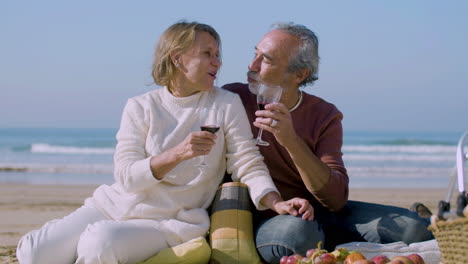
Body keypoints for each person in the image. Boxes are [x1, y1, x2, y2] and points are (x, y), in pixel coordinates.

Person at [16, 21, 313, 264]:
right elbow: (126, 177)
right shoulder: (140, 106)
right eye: (207, 53)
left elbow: (247, 162)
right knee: (33, 252)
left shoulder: (225, 104)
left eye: (218, 54)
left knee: (99, 242)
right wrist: (178, 153)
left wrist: (276, 201)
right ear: (178, 58)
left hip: (171, 220)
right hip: (111, 207)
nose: (218, 62)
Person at [223, 22, 434, 264]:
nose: (252, 65)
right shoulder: (232, 99)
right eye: (255, 54)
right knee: (296, 234)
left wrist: (290, 140)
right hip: (266, 217)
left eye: (267, 60)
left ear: (299, 74)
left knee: (413, 227)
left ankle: (332, 251)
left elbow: (335, 199)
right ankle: (335, 249)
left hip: (319, 212)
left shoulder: (324, 114)